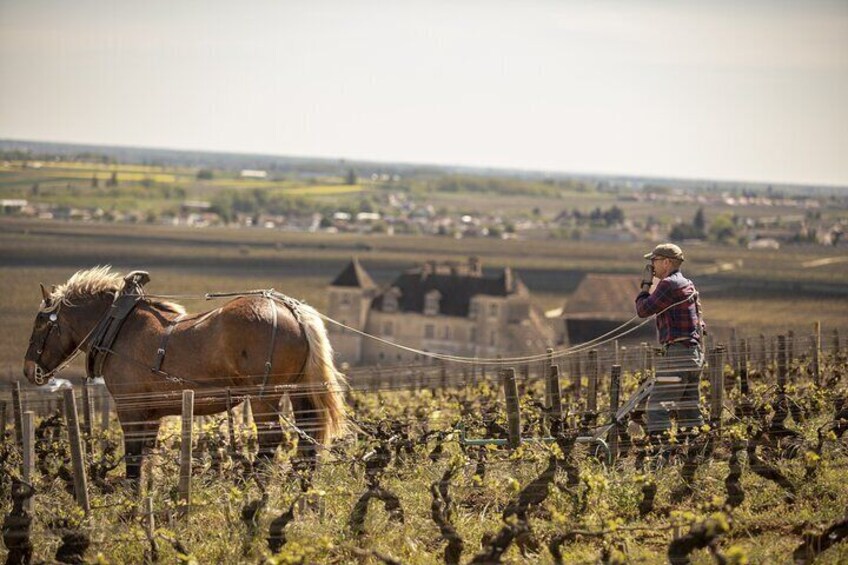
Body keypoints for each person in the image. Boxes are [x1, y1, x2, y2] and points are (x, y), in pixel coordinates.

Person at [635, 243, 705, 439]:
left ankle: (661, 455)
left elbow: (643, 310)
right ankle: (694, 454)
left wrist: (646, 285)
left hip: (677, 355)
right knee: (689, 410)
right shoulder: (687, 283)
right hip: (693, 355)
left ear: (666, 262)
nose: (651, 265)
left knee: (657, 408)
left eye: (654, 261)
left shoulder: (668, 284)